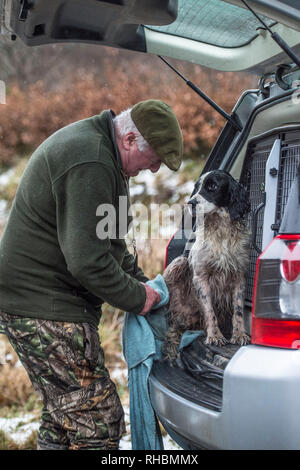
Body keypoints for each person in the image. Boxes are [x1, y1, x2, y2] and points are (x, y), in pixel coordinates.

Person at [0, 99, 183, 450]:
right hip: (42, 304)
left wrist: (142, 284)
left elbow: (109, 244)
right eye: (153, 160)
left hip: (41, 299)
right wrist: (139, 299)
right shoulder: (92, 161)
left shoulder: (106, 156)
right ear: (130, 139)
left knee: (65, 417)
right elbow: (87, 261)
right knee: (97, 420)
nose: (154, 170)